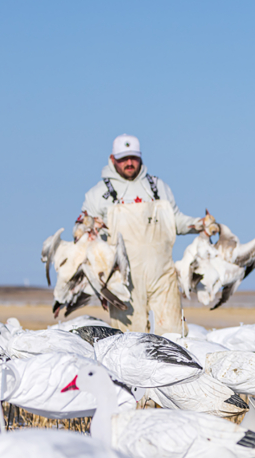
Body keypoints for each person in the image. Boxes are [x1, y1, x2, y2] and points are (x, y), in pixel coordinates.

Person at [81, 134, 207, 334]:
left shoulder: (157, 187)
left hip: (163, 276)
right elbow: (80, 233)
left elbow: (175, 221)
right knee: (129, 342)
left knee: (172, 338)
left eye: (134, 157)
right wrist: (88, 226)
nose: (129, 163)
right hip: (123, 282)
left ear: (141, 157)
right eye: (123, 159)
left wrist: (200, 224)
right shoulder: (97, 195)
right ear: (112, 159)